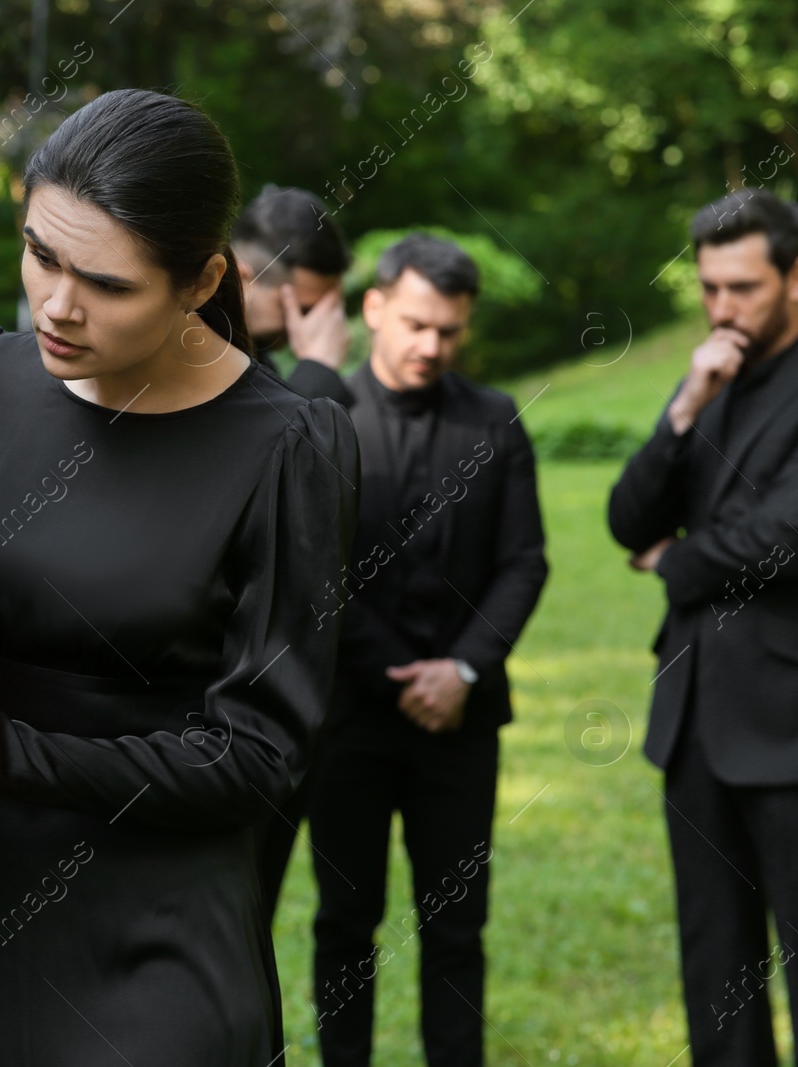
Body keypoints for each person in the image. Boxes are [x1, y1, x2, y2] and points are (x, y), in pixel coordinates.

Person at [0, 88, 359, 1065]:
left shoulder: (287, 446)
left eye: (105, 283)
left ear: (199, 281)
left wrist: (7, 748)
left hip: (152, 937)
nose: (56, 302)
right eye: (39, 254)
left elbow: (260, 755)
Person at [294, 233, 547, 1067]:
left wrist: (463, 669)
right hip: (348, 719)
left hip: (462, 722)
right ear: (373, 309)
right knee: (344, 921)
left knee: (456, 925)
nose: (431, 345)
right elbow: (313, 570)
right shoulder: (323, 420)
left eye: (449, 330)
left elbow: (524, 560)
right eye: (415, 324)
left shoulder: (495, 419)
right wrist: (397, 671)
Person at [608, 188, 798, 1067]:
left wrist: (675, 562)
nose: (723, 308)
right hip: (693, 723)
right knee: (713, 969)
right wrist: (685, 403)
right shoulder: (711, 379)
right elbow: (626, 515)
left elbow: (783, 535)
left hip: (790, 729)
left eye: (744, 287)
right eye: (711, 287)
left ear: (794, 280)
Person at [232, 182, 356, 928]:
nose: (321, 324)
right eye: (308, 305)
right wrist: (321, 376)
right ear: (248, 279)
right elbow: (290, 504)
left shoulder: (270, 372)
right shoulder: (213, 363)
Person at [233, 183, 354, 388]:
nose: (315, 324)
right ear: (241, 278)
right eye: (302, 309)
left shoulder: (256, 357)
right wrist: (317, 371)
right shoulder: (191, 353)